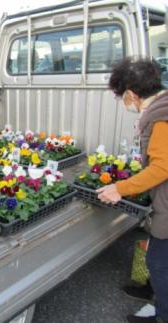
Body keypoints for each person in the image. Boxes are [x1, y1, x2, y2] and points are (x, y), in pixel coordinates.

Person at [97, 57, 168, 323]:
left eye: (122, 97)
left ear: (132, 94)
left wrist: (120, 188)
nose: (124, 102)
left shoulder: (161, 117)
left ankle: (163, 315)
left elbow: (162, 168)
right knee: (159, 258)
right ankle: (155, 293)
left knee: (160, 263)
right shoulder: (162, 106)